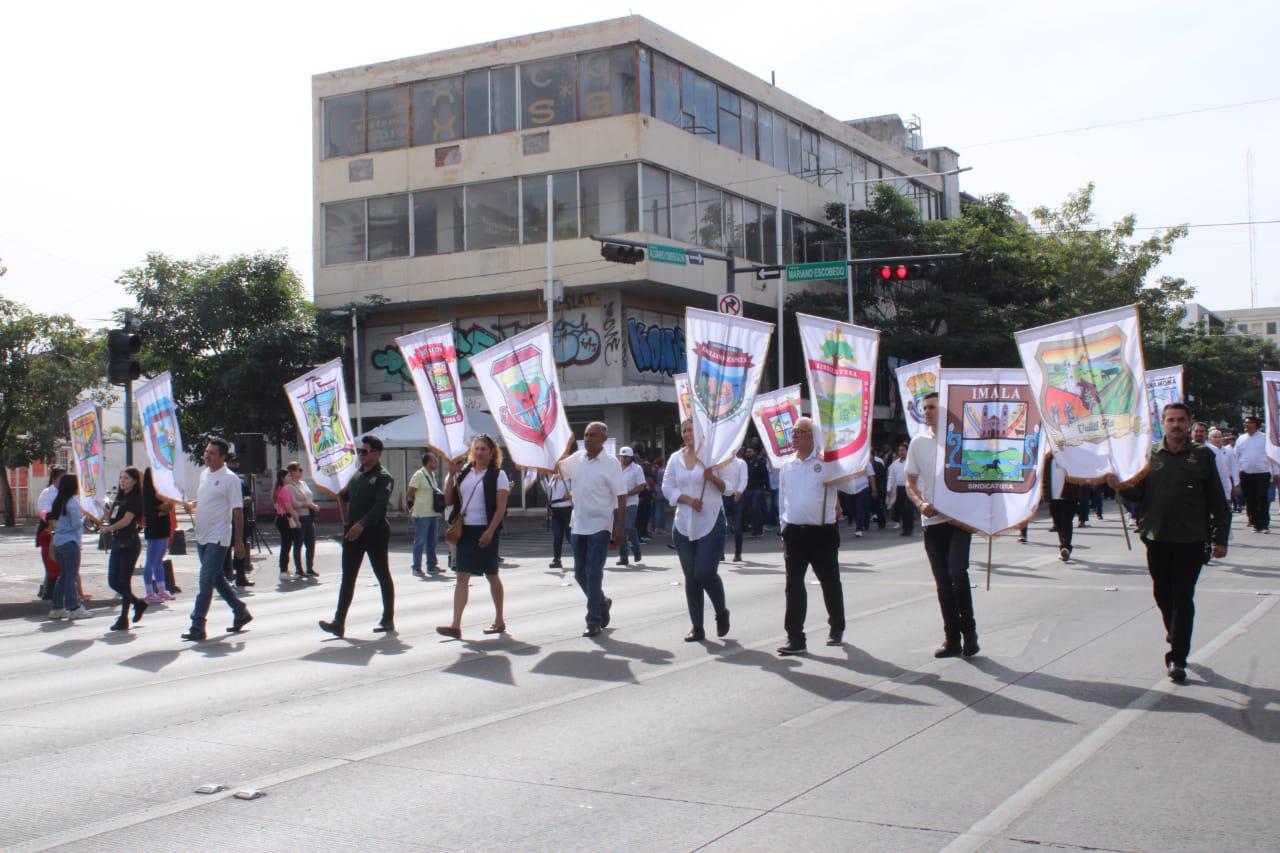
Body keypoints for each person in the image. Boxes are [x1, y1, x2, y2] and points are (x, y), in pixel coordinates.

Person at [1113, 403, 1230, 683]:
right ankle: (1175, 631)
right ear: (1162, 423)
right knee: (1162, 594)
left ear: (1189, 423)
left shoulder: (1202, 456)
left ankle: (1177, 657)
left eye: (1181, 420)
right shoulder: (1151, 455)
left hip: (1191, 539)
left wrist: (1220, 539)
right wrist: (1117, 483)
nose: (1176, 425)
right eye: (1171, 420)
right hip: (1157, 537)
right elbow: (1137, 492)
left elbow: (1218, 500)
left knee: (1182, 596)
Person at [906, 393, 979, 658]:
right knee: (942, 584)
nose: (927, 412)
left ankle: (970, 634)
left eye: (933, 407)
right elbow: (910, 483)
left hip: (958, 520)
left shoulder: (961, 438)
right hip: (932, 522)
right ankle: (952, 639)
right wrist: (920, 503)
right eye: (924, 408)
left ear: (944, 410)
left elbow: (977, 475)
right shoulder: (918, 442)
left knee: (958, 573)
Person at [776, 417, 856, 656]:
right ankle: (795, 637)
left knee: (829, 582)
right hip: (794, 533)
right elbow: (783, 499)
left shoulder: (825, 463)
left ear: (812, 436)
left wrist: (837, 463)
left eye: (800, 432)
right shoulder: (787, 465)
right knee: (793, 585)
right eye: (793, 432)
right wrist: (783, 527)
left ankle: (837, 626)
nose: (794, 436)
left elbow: (850, 487)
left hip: (822, 532)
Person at [320, 435, 395, 638]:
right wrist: (336, 488)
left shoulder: (383, 477)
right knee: (348, 576)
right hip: (353, 532)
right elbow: (346, 496)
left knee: (382, 574)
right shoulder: (357, 474)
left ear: (377, 454)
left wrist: (362, 524)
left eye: (365, 451)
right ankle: (339, 621)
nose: (361, 455)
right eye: (360, 451)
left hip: (374, 531)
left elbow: (380, 506)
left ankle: (388, 618)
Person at [436, 435, 510, 638]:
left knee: (491, 575)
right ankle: (455, 625)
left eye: (483, 449)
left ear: (492, 452)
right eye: (476, 449)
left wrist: (490, 531)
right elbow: (449, 499)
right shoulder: (464, 472)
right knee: (461, 576)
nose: (479, 453)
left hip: (486, 530)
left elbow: (500, 508)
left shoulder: (498, 475)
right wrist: (451, 475)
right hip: (465, 530)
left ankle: (499, 620)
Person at [557, 422, 626, 637]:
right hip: (579, 524)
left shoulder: (611, 463)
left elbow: (621, 496)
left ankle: (593, 620)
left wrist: (620, 527)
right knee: (579, 573)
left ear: (604, 439)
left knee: (594, 572)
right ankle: (602, 602)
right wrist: (560, 447)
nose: (588, 439)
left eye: (593, 435)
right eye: (586, 435)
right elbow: (557, 467)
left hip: (601, 525)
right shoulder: (577, 458)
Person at [665, 418, 730, 641]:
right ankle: (697, 627)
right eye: (683, 430)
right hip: (683, 525)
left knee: (704, 572)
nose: (687, 433)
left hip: (711, 522)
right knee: (691, 577)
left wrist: (711, 477)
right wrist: (687, 500)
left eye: (691, 429)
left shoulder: (713, 456)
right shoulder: (675, 458)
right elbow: (667, 487)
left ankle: (721, 611)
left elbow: (727, 488)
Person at [183, 438, 253, 641]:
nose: (207, 455)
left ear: (223, 457)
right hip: (202, 536)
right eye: (206, 451)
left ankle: (197, 625)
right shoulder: (205, 474)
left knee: (206, 581)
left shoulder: (230, 479)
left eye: (212, 453)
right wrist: (192, 505)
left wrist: (238, 542)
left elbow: (237, 511)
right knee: (217, 579)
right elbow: (208, 499)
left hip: (219, 537)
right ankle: (240, 611)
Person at [99, 466, 147, 632]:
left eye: (126, 478)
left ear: (134, 481)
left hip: (129, 542)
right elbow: (111, 518)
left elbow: (126, 521)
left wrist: (109, 529)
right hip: (118, 541)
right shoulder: (119, 499)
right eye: (121, 478)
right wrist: (102, 508)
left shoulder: (135, 499)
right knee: (113, 581)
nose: (122, 481)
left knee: (123, 581)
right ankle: (138, 603)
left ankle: (123, 617)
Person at [48, 474, 97, 621]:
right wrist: (85, 517)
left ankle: (56, 607)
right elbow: (76, 524)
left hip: (58, 542)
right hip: (71, 542)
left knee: (63, 576)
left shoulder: (58, 501)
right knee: (71, 577)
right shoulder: (72, 503)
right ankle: (73, 607)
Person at [1235, 416, 1276, 532]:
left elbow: (1271, 456)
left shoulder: (1264, 438)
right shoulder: (1241, 439)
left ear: (1256, 424)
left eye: (1250, 423)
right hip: (1246, 474)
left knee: (1262, 497)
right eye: (1245, 422)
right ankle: (1255, 523)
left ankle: (1264, 524)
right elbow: (1236, 457)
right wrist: (1237, 474)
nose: (1246, 425)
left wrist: (1276, 472)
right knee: (1250, 499)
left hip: (1262, 473)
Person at [140, 468, 175, 602]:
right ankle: (149, 592)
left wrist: (168, 505)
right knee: (151, 561)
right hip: (154, 528)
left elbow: (169, 507)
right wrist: (167, 506)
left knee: (159, 560)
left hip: (163, 526)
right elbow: (165, 507)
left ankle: (162, 590)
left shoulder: (162, 491)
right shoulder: (149, 493)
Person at [407, 451, 443, 576]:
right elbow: (411, 491)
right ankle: (416, 567)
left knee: (432, 541)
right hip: (422, 514)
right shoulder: (419, 475)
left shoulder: (432, 474)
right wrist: (414, 505)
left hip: (433, 512)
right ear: (428, 462)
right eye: (434, 460)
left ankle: (431, 566)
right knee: (420, 540)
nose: (436, 462)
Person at [1044, 452, 1082, 561]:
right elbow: (1043, 476)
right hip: (1053, 497)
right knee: (1058, 523)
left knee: (1066, 521)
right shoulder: (1048, 458)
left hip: (1069, 495)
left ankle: (1065, 547)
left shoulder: (1071, 456)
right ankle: (1063, 545)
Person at [36, 466, 66, 601]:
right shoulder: (47, 493)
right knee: (52, 563)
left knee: (59, 565)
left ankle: (51, 593)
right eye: (62, 478)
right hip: (49, 532)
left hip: (63, 533)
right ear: (54, 479)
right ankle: (48, 594)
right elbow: (44, 512)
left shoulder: (67, 494)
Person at [287, 461, 320, 577]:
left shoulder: (304, 483)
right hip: (299, 517)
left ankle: (310, 568)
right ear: (292, 472)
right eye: (299, 470)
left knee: (311, 543)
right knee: (298, 543)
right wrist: (308, 505)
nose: (301, 472)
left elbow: (309, 497)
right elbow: (294, 503)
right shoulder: (289, 486)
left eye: (301, 470)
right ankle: (299, 569)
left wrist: (313, 505)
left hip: (309, 517)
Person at [616, 446, 646, 565]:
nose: (623, 458)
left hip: (631, 502)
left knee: (628, 526)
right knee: (620, 529)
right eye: (621, 456)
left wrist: (627, 493)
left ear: (631, 457)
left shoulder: (637, 469)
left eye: (626, 456)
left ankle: (636, 547)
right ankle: (623, 557)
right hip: (617, 503)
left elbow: (642, 485)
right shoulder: (615, 468)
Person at [719, 449, 748, 562]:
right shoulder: (720, 464)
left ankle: (738, 553)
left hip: (736, 497)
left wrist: (740, 491)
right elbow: (716, 478)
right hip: (723, 497)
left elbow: (744, 479)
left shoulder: (741, 463)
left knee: (736, 526)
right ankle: (720, 553)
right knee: (721, 526)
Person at [272, 469, 301, 581]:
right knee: (286, 545)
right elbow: (289, 507)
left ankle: (284, 569)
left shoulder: (278, 489)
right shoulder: (284, 490)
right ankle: (283, 570)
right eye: (288, 476)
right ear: (283, 478)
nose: (290, 477)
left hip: (280, 517)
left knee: (286, 544)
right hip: (284, 518)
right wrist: (297, 519)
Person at [546, 470, 573, 569]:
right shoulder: (553, 477)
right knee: (557, 537)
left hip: (567, 509)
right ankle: (557, 559)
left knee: (570, 536)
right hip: (556, 511)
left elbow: (578, 488)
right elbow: (549, 491)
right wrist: (542, 479)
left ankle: (582, 557)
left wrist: (571, 493)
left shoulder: (569, 476)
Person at [886, 443, 913, 536]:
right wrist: (888, 488)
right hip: (899, 488)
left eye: (903, 450)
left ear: (907, 451)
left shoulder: (911, 461)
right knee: (901, 509)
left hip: (910, 488)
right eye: (899, 450)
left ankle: (909, 528)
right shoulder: (895, 464)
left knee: (908, 508)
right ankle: (905, 528)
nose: (901, 452)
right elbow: (891, 477)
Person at [650, 455, 667, 536]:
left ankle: (653, 528)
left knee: (654, 511)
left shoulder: (653, 470)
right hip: (661, 491)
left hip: (654, 490)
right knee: (660, 510)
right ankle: (659, 528)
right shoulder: (662, 471)